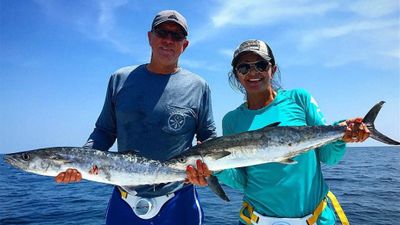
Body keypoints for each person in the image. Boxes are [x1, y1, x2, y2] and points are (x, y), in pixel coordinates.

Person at [55, 10, 217, 225]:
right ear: (150, 37)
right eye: (162, 32)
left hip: (179, 199)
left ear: (184, 45)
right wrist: (81, 161)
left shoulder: (198, 86)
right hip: (125, 199)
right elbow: (104, 131)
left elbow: (209, 140)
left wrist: (205, 171)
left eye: (176, 36)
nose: (168, 40)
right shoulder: (120, 79)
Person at [186, 39, 370, 225]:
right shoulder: (232, 120)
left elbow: (330, 157)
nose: (253, 72)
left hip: (316, 220)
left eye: (261, 65)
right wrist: (215, 169)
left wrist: (342, 134)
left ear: (272, 69)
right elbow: (242, 181)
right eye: (244, 68)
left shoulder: (299, 99)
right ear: (237, 75)